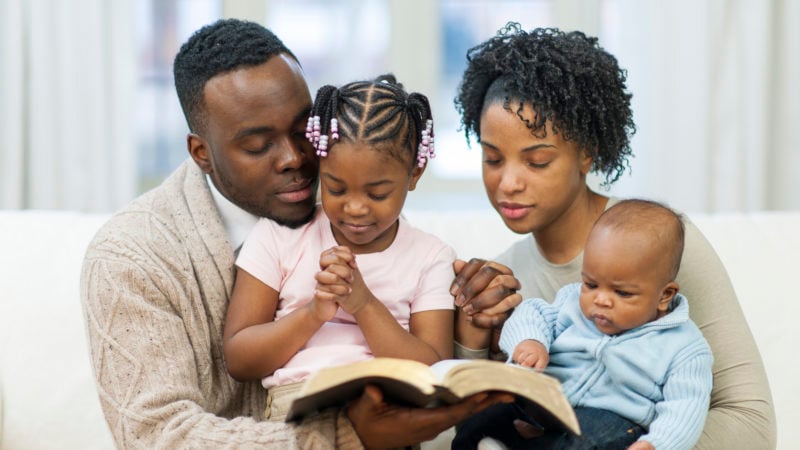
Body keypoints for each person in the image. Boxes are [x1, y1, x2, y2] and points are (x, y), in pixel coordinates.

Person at [80, 18, 508, 449]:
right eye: (257, 145)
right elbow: (156, 436)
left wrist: (479, 335)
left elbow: (435, 373)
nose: (295, 157)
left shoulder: (406, 242)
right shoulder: (131, 257)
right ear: (201, 153)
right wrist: (342, 437)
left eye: (305, 130)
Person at [449, 23, 776, 449]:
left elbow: (753, 424)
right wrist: (471, 338)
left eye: (537, 161)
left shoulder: (659, 244)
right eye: (492, 159)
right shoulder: (500, 278)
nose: (507, 182)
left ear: (586, 153)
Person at [223, 74, 455, 421]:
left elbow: (432, 370)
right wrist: (314, 312)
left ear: (415, 172)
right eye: (336, 188)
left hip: (387, 413)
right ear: (320, 166)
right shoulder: (278, 235)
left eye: (377, 194)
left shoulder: (431, 257)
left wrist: (362, 304)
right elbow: (239, 360)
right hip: (297, 408)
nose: (356, 208)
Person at [453, 199, 713, 450]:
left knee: (584, 441)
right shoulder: (570, 302)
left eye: (622, 293)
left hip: (612, 419)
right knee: (481, 423)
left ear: (665, 295)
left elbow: (686, 407)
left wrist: (657, 444)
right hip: (546, 405)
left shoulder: (685, 346)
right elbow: (532, 313)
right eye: (591, 284)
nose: (600, 299)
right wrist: (530, 341)